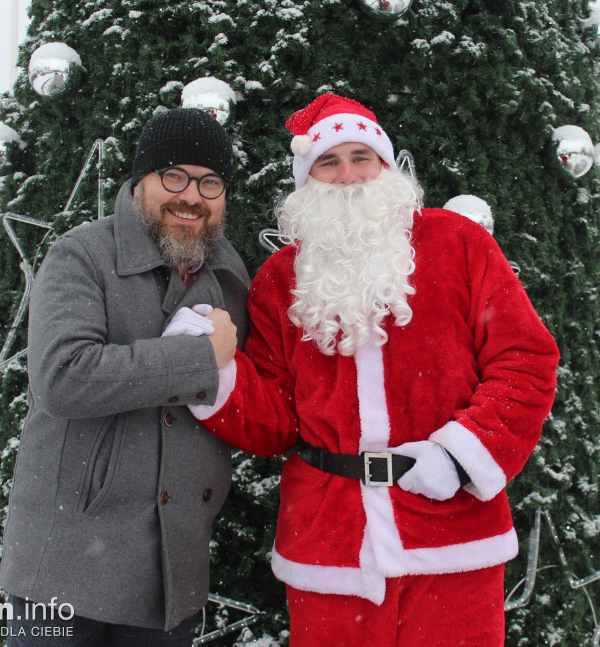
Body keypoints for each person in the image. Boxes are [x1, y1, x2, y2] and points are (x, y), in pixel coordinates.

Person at [185, 94, 560, 646]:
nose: (348, 175)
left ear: (386, 165)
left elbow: (525, 360)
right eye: (329, 162)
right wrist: (207, 370)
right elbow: (276, 420)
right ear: (307, 178)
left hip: (450, 531)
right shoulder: (279, 278)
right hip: (329, 544)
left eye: (362, 156)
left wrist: (459, 456)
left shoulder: (460, 245)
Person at [0, 108, 250, 646]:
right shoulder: (82, 255)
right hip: (65, 564)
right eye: (173, 177)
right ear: (140, 183)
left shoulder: (231, 277)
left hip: (172, 571)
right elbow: (63, 377)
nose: (191, 196)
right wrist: (198, 359)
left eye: (210, 182)